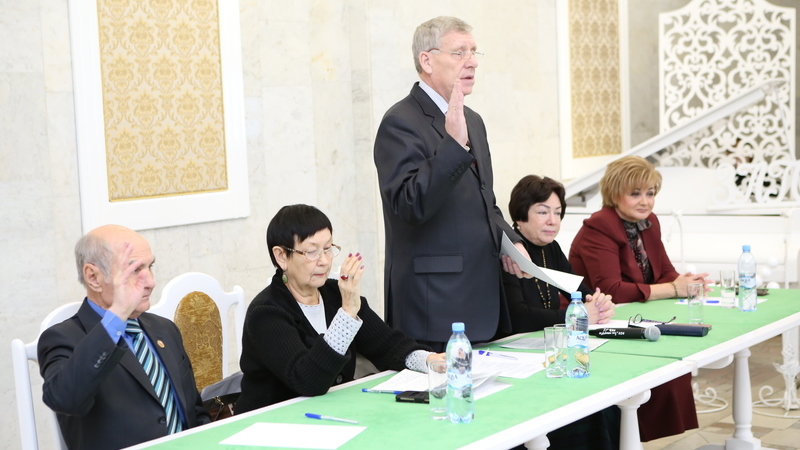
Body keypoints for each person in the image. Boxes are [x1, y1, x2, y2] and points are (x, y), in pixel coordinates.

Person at [373, 16, 527, 350]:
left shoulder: (473, 120)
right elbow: (410, 204)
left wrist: (512, 242)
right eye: (459, 53)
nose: (472, 62)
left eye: (474, 52)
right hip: (433, 307)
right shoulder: (399, 122)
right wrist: (453, 146)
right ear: (427, 61)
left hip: (483, 299)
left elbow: (485, 202)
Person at [237, 204, 443, 413]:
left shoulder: (335, 293)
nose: (324, 261)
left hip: (331, 413)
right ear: (281, 256)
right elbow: (308, 381)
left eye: (328, 248)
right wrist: (347, 314)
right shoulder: (265, 313)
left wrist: (429, 360)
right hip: (271, 421)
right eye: (312, 252)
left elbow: (387, 345)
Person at [569, 156, 708, 442]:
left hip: (634, 318)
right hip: (599, 326)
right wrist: (674, 289)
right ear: (615, 193)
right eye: (635, 193)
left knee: (676, 362)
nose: (645, 201)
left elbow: (665, 272)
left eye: (650, 193)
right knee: (662, 364)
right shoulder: (598, 227)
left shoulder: (649, 222)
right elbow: (612, 289)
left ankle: (638, 439)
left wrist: (688, 282)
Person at [37, 225, 209, 450]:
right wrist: (117, 315)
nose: (151, 282)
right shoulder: (62, 338)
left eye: (149, 267)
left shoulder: (164, 329)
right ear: (94, 277)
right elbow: (65, 399)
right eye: (135, 270)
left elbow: (194, 411)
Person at [503, 175, 616, 332]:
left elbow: (580, 292)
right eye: (543, 212)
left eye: (557, 213)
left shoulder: (551, 247)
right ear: (520, 216)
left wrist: (600, 305)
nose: (553, 221)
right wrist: (576, 316)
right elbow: (518, 318)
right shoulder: (508, 251)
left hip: (546, 338)